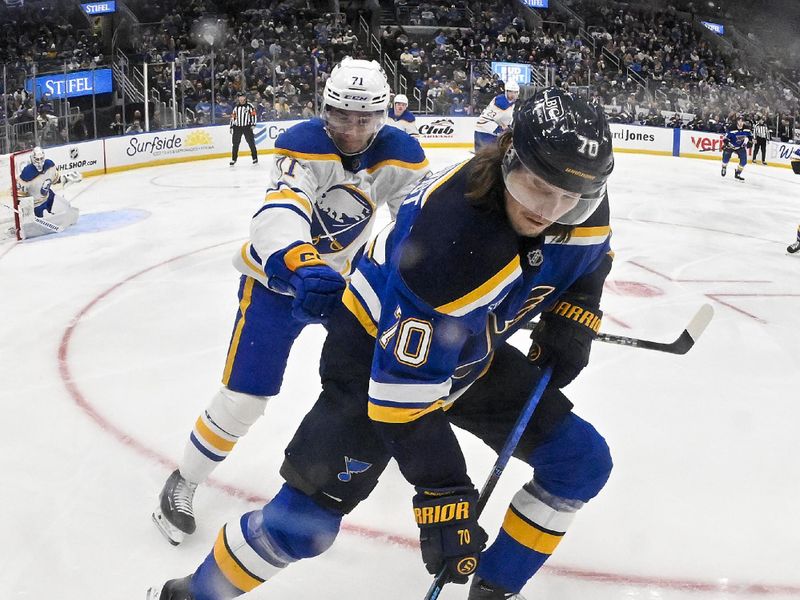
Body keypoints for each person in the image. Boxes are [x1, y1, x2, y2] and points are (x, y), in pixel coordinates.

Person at [147, 88, 615, 600]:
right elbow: (400, 404)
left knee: (581, 462)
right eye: (536, 189)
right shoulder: (449, 244)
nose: (551, 210)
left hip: (466, 351)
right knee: (301, 524)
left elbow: (592, 255)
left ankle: (495, 590)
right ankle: (189, 595)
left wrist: (577, 309)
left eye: (571, 198)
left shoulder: (575, 186)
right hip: (373, 359)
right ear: (508, 153)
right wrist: (443, 491)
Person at [151, 57, 430, 546]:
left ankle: (354, 463)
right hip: (277, 283)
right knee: (244, 398)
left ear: (384, 114)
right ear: (326, 110)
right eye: (342, 116)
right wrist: (300, 262)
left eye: (364, 118)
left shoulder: (403, 152)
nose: (352, 129)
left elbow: (420, 223)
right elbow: (281, 208)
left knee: (380, 378)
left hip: (345, 287)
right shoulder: (303, 143)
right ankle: (185, 479)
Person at [15, 146, 80, 239]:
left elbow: (55, 180)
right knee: (44, 222)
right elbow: (19, 194)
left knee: (69, 208)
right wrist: (26, 209)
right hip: (37, 205)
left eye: (41, 159)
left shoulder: (49, 165)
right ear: (32, 159)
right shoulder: (27, 173)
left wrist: (67, 178)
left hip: (49, 197)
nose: (39, 161)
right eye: (37, 159)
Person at [474, 80, 519, 150]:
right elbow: (487, 120)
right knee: (487, 156)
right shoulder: (501, 101)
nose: (513, 94)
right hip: (484, 132)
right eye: (510, 91)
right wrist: (502, 129)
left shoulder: (510, 101)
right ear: (506, 91)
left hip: (490, 131)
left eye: (515, 92)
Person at [229, 92, 258, 166]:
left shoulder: (250, 106)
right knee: (235, 144)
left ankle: (254, 158)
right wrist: (231, 126)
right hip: (237, 127)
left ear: (245, 97)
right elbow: (233, 117)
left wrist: (253, 124)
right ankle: (233, 159)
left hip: (247, 127)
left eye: (242, 97)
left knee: (251, 142)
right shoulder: (236, 107)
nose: (241, 98)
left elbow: (253, 115)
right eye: (239, 97)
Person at [720, 116, 752, 181]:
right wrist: (728, 144)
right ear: (737, 121)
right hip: (730, 146)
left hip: (740, 147)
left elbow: (750, 136)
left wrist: (750, 142)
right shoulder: (732, 128)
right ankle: (724, 167)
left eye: (742, 121)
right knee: (725, 159)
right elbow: (725, 138)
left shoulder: (747, 129)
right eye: (739, 121)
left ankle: (737, 173)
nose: (740, 123)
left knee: (744, 162)